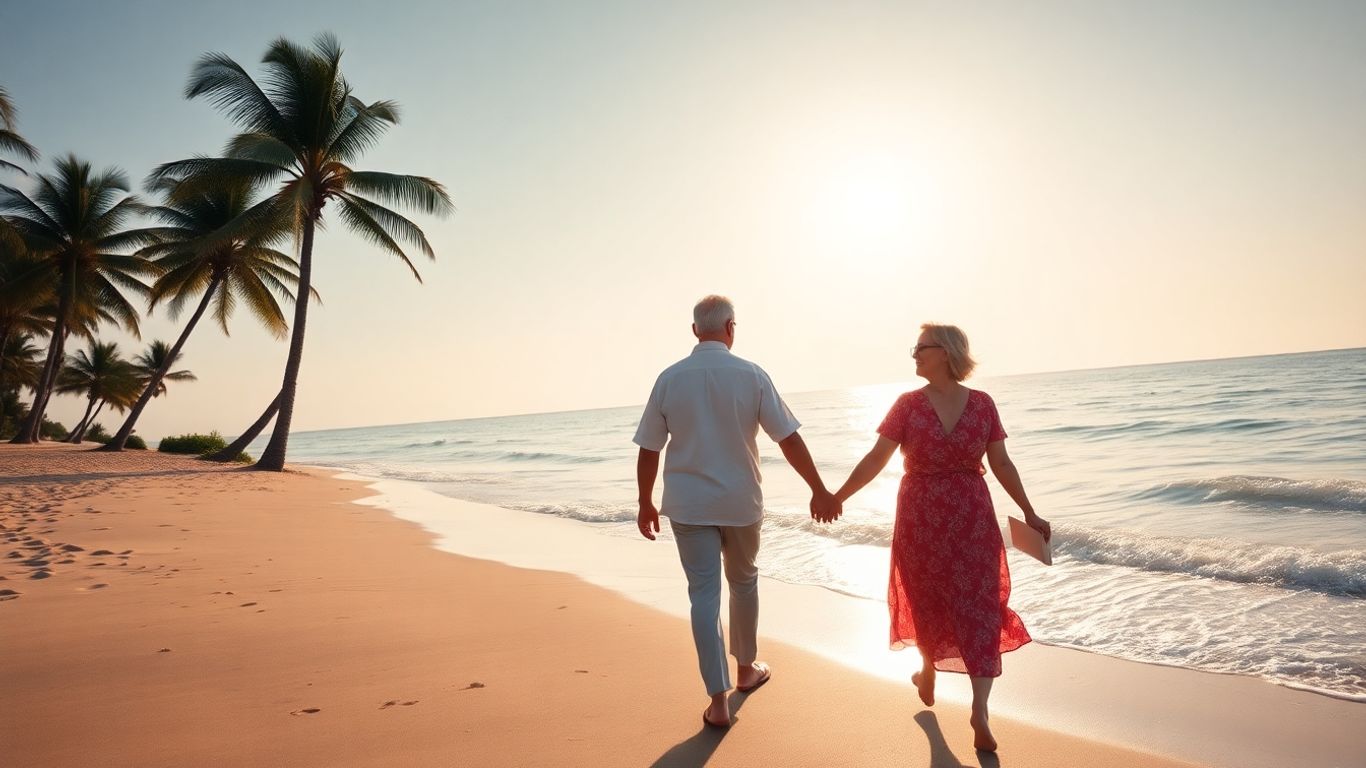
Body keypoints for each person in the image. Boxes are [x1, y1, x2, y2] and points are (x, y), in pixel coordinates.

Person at [833, 323, 1049, 752]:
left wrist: (1029, 509)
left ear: (945, 353)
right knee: (977, 603)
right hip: (965, 513)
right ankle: (969, 700)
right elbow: (1000, 465)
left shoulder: (913, 406)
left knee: (936, 598)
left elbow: (878, 458)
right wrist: (1028, 509)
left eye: (921, 348)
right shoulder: (971, 404)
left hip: (928, 515)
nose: (914, 354)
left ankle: (952, 687)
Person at [633, 295, 839, 729]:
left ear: (694, 331)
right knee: (743, 582)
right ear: (731, 327)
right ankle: (746, 670)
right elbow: (788, 438)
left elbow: (650, 447)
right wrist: (819, 489)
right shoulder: (751, 374)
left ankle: (718, 701)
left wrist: (645, 501)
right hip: (741, 503)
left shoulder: (669, 379)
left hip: (688, 505)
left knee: (703, 596)